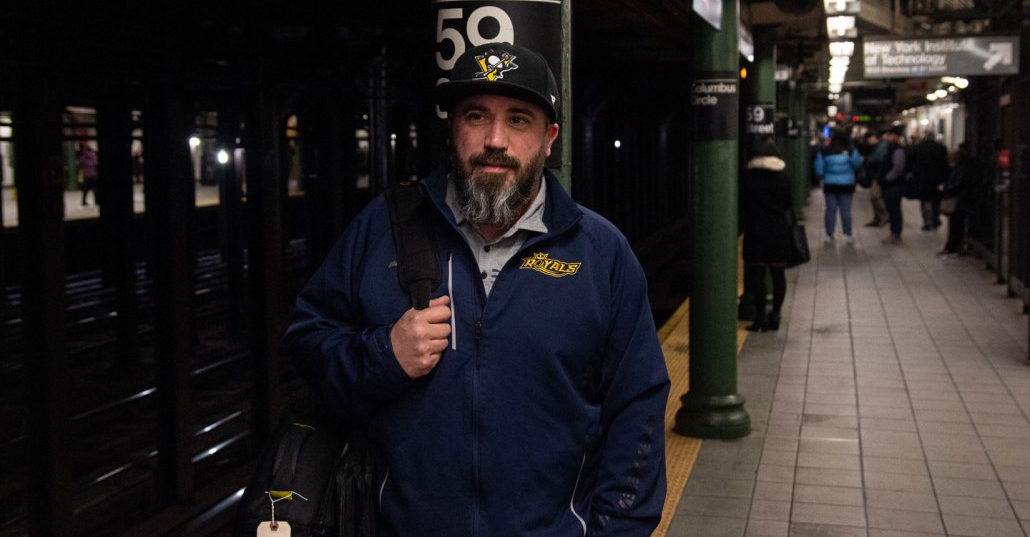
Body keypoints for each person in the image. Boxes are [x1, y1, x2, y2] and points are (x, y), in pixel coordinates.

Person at [283, 42, 670, 536]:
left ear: (549, 138)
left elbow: (637, 405)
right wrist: (383, 354)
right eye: (475, 116)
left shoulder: (600, 254)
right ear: (452, 130)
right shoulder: (384, 228)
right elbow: (307, 342)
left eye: (518, 119)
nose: (495, 140)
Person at [741, 138, 793, 332]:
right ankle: (776, 314)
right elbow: (788, 204)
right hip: (778, 231)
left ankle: (760, 317)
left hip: (756, 230)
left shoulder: (748, 176)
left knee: (758, 275)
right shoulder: (782, 177)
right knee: (778, 274)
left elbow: (742, 204)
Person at [814, 131, 862, 244]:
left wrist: (824, 176)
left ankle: (829, 235)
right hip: (847, 185)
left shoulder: (824, 151)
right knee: (846, 211)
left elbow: (819, 169)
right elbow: (857, 164)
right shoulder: (851, 151)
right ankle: (848, 235)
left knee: (830, 210)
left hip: (830, 185)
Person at [939, 142, 977, 257]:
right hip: (962, 199)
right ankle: (951, 247)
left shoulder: (962, 169)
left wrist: (946, 188)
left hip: (961, 200)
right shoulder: (964, 168)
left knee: (956, 225)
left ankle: (953, 248)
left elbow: (959, 183)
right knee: (956, 225)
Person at [908, 130, 949, 230]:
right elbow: (945, 164)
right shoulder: (941, 148)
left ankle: (927, 222)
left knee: (925, 200)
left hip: (922, 179)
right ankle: (935, 219)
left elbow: (911, 162)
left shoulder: (918, 148)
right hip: (937, 179)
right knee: (936, 200)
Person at [878, 126, 907, 244]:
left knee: (894, 210)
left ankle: (895, 234)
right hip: (891, 184)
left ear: (895, 136)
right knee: (893, 209)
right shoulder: (891, 148)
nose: (887, 137)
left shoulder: (897, 150)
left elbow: (898, 168)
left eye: (890, 134)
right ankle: (895, 233)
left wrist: (887, 178)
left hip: (894, 185)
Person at [864, 130, 890, 227]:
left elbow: (878, 159)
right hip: (876, 174)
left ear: (874, 137)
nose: (868, 141)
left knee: (874, 196)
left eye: (869, 139)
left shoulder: (882, 146)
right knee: (875, 196)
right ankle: (877, 218)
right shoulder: (878, 146)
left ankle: (884, 216)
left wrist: (869, 159)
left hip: (879, 175)